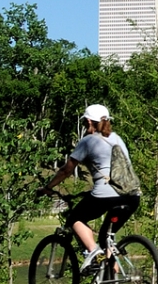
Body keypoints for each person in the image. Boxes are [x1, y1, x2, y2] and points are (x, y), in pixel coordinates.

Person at [41, 104, 139, 271]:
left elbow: (66, 170)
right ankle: (112, 277)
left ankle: (93, 252)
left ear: (88, 121)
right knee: (106, 239)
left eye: (85, 124)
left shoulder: (87, 141)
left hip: (106, 195)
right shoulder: (117, 138)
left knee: (74, 218)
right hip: (133, 195)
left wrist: (47, 187)